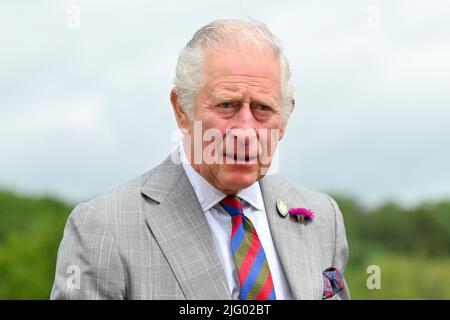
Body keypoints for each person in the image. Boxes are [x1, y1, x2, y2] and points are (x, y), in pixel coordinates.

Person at [50, 19, 350, 300]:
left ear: (284, 118)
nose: (245, 131)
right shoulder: (104, 227)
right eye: (227, 105)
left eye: (262, 108)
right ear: (181, 109)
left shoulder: (323, 218)